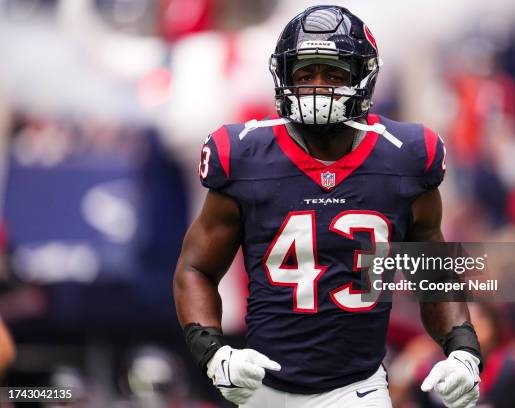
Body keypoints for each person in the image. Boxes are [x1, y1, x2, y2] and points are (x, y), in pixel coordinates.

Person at [174, 5, 482, 408]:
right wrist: (213, 353)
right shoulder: (245, 155)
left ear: (363, 78)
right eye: (305, 74)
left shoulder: (404, 157)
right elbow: (195, 268)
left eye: (334, 74)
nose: (317, 87)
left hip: (356, 387)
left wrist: (462, 348)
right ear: (284, 78)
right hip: (261, 386)